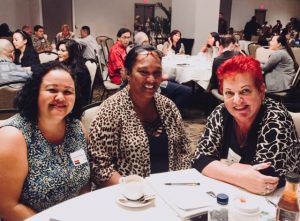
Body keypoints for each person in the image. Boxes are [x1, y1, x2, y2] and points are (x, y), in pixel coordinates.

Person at [192, 55, 300, 195]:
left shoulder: (276, 118)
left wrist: (221, 164)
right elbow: (200, 159)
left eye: (245, 91)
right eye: (229, 93)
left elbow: (266, 179)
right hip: (233, 193)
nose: (237, 101)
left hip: (283, 200)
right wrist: (239, 174)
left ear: (261, 91)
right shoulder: (221, 112)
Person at [88, 45, 192, 187]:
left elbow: (184, 148)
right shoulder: (110, 111)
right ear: (127, 74)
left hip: (171, 192)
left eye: (157, 73)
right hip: (129, 198)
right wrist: (134, 191)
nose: (151, 79)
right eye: (143, 72)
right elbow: (99, 166)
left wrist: (179, 184)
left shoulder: (168, 107)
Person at [0, 61, 90, 220]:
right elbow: (8, 206)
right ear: (35, 93)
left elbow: (85, 184)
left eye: (68, 92)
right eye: (52, 90)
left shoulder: (77, 128)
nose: (61, 97)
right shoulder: (13, 137)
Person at [128, 31, 192, 115]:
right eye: (146, 42)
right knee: (186, 89)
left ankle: (172, 109)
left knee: (177, 82)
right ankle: (170, 114)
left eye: (179, 35)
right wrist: (163, 77)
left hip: (159, 81)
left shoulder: (181, 45)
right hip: (159, 83)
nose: (149, 43)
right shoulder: (140, 55)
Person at [57, 39, 91, 106]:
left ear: (71, 52)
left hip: (76, 105)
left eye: (63, 51)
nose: (59, 53)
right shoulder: (64, 63)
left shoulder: (80, 71)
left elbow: (75, 95)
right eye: (58, 50)